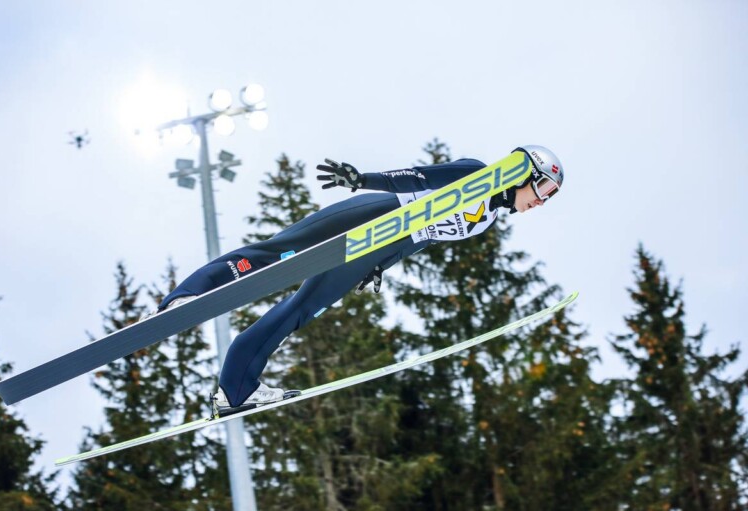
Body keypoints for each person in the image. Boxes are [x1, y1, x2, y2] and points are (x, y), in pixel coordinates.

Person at [152, 145, 565, 417]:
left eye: (549, 197)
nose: (540, 201)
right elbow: (419, 178)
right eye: (543, 188)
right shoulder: (478, 174)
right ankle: (186, 297)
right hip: (377, 211)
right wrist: (362, 179)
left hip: (383, 244)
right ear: (524, 173)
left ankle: (235, 389)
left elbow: (422, 238)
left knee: (300, 311)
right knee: (276, 252)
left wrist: (380, 265)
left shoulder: (487, 220)